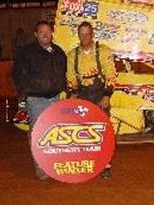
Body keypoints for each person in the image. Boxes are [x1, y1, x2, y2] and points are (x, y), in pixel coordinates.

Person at [12, 20, 67, 180]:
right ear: (36, 34)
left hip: (56, 97)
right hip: (36, 99)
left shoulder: (58, 52)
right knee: (38, 133)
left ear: (52, 33)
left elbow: (63, 74)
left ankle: (54, 164)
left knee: (55, 133)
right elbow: (18, 76)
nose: (45, 34)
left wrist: (65, 91)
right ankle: (42, 169)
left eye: (48, 31)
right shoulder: (26, 52)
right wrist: (23, 96)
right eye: (41, 32)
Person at [66, 21, 117, 179]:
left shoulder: (104, 51)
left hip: (100, 94)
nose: (85, 37)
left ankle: (106, 165)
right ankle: (88, 162)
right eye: (82, 34)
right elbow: (71, 78)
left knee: (103, 132)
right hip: (82, 96)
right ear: (78, 35)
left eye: (88, 34)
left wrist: (107, 95)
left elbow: (111, 76)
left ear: (92, 34)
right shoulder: (72, 55)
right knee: (83, 132)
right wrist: (73, 94)